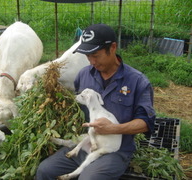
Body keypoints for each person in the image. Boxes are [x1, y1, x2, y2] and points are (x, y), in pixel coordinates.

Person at [36, 23, 155, 180]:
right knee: (44, 171)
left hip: (113, 150)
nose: (91, 61)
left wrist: (113, 128)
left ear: (112, 48)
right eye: (87, 56)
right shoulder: (84, 75)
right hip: (86, 143)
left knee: (88, 178)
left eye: (96, 55)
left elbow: (145, 122)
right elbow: (76, 109)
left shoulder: (137, 81)